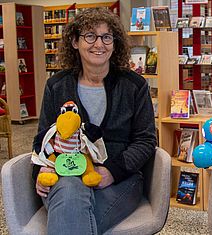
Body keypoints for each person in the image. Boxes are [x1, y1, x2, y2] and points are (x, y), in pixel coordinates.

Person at [31, 8, 157, 234]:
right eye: (90, 36)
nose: (99, 44)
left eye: (106, 37)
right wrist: (41, 170)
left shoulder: (134, 86)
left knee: (70, 217)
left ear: (114, 43)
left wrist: (112, 171)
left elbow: (146, 140)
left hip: (121, 179)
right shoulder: (57, 86)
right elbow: (43, 139)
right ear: (74, 41)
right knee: (71, 194)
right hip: (65, 175)